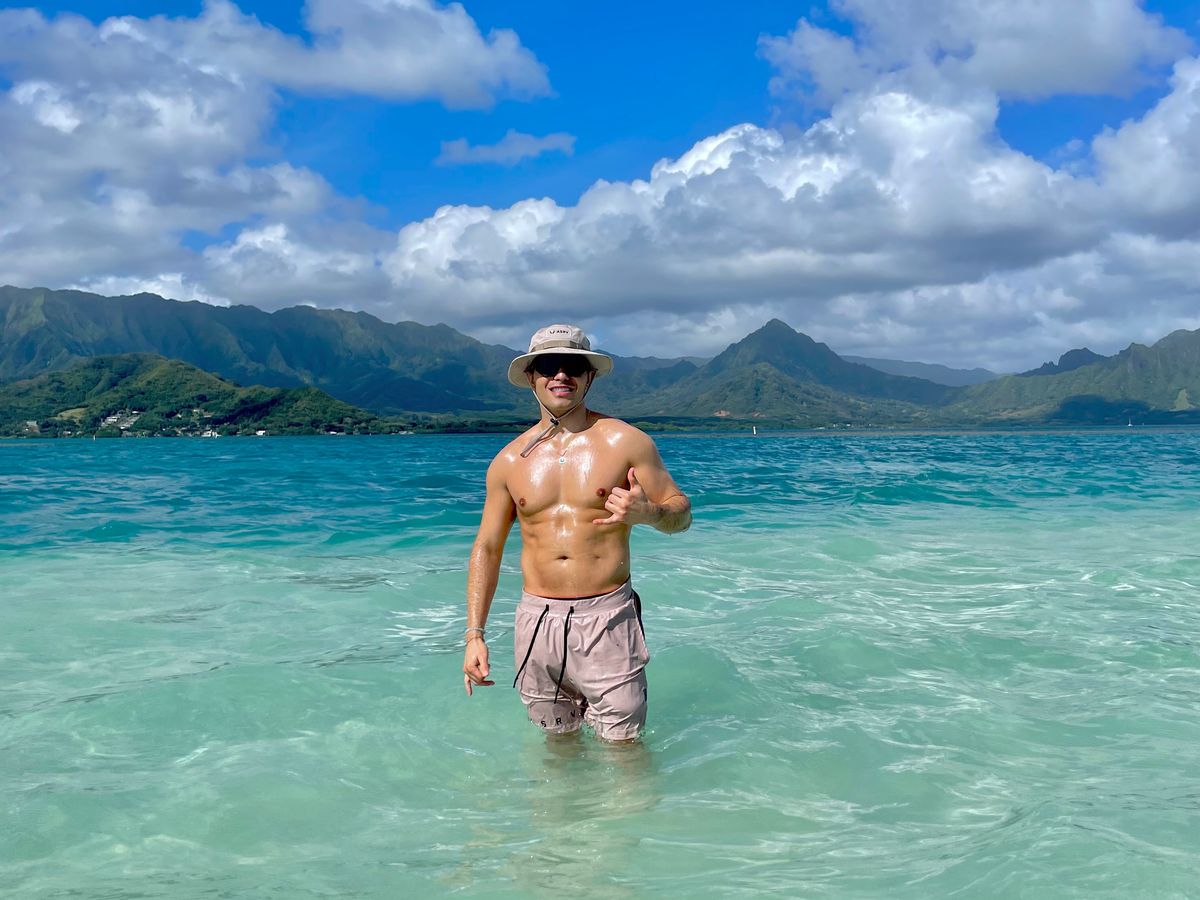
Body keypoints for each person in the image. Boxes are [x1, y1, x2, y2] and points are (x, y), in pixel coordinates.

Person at [461, 324, 692, 742]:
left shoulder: (627, 442)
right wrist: (474, 635)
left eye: (574, 366)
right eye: (549, 365)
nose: (561, 375)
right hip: (536, 623)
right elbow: (487, 547)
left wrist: (649, 513)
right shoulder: (508, 461)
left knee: (624, 751)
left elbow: (682, 513)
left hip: (607, 618)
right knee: (557, 748)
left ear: (590, 376)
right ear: (531, 377)